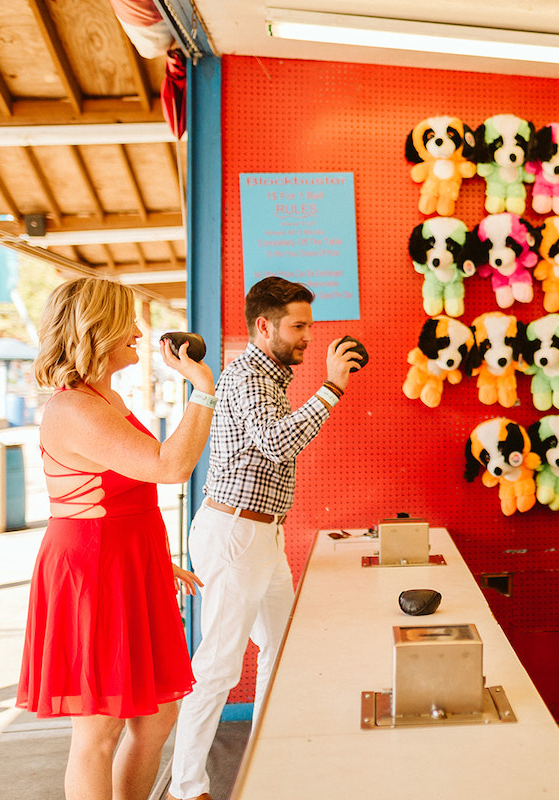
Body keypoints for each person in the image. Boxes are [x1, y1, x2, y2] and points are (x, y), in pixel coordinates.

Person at [18, 277, 215, 800]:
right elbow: (168, 467)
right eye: (126, 321)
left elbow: (116, 489)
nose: (137, 330)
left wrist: (152, 560)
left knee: (154, 718)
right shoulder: (74, 408)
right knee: (99, 729)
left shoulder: (104, 397)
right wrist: (204, 389)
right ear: (96, 330)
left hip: (123, 562)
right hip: (92, 571)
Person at [168, 276, 359, 800]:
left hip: (261, 536)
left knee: (281, 647)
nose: (308, 338)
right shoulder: (250, 376)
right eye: (298, 327)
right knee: (218, 665)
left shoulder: (270, 376)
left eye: (309, 328)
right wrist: (333, 387)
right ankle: (187, 788)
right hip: (235, 533)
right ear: (264, 325)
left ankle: (270, 761)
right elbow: (277, 443)